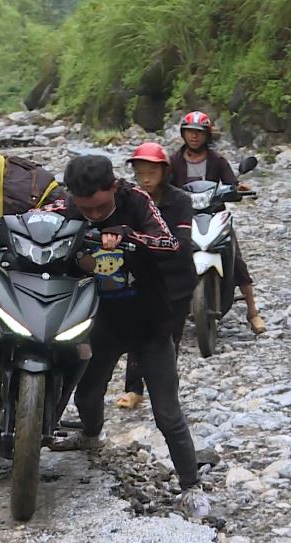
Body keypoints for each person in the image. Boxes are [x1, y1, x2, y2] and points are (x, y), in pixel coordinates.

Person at [42, 154, 209, 517]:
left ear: (114, 187)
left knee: (167, 411)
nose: (94, 214)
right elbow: (29, 220)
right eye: (85, 209)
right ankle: (90, 437)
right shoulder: (67, 206)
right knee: (86, 392)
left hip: (151, 320)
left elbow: (171, 243)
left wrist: (130, 236)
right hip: (99, 320)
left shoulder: (137, 200)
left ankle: (190, 486)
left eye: (101, 207)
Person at [115, 143, 197, 410]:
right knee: (136, 331)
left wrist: (143, 245)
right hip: (143, 277)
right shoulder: (130, 200)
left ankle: (165, 393)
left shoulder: (180, 200)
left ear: (164, 172)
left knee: (169, 336)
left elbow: (182, 245)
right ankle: (134, 389)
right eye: (141, 172)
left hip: (176, 280)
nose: (146, 178)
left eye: (152, 171)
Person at [169, 111, 266, 335]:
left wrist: (237, 189)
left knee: (237, 259)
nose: (194, 137)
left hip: (214, 215)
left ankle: (252, 312)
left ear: (207, 136)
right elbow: (164, 185)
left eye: (198, 133)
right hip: (184, 217)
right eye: (190, 132)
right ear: (183, 134)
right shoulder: (173, 161)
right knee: (165, 256)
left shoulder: (217, 160)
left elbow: (231, 183)